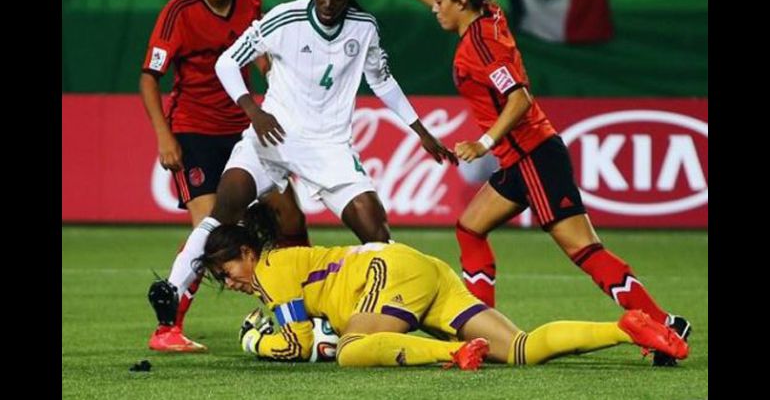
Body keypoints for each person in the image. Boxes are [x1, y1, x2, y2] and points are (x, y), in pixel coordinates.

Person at [358, 0, 691, 367]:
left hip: (533, 155)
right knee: (470, 227)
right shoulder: (486, 16)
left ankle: (663, 325)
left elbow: (520, 99)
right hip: (523, 159)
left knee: (584, 250)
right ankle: (483, 329)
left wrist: (484, 143)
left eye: (441, 1)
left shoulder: (481, 47)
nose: (434, 7)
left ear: (461, 0)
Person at [189, 205, 688, 368]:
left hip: (384, 273)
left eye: (226, 271)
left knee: (351, 348)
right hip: (420, 271)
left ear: (247, 254)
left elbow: (298, 342)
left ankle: (450, 354)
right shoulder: (275, 273)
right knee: (518, 349)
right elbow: (305, 324)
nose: (228, 282)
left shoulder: (273, 268)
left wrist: (257, 342)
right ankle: (625, 329)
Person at [214, 0, 457, 247]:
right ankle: (177, 289)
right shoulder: (284, 17)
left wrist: (421, 130)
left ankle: (391, 289)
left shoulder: (364, 27)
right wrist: (254, 111)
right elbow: (226, 62)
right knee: (221, 217)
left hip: (329, 146)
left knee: (377, 233)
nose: (328, 4)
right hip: (276, 136)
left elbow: (382, 82)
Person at [140, 0, 308, 353]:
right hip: (195, 132)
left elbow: (266, 52)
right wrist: (165, 136)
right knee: (209, 230)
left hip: (246, 129)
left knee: (290, 218)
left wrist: (273, 79)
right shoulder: (178, 12)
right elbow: (149, 78)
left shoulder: (250, 2)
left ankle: (308, 308)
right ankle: (167, 328)